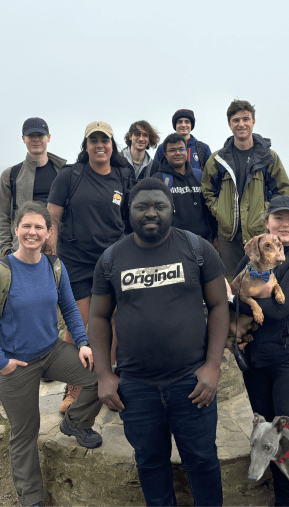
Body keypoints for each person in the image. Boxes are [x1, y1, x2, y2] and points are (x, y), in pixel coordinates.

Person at [88, 178, 229, 506]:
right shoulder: (111, 260)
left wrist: (212, 366)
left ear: (172, 210)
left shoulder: (197, 249)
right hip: (136, 387)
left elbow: (220, 306)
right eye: (142, 207)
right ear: (129, 211)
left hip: (192, 383)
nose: (151, 213)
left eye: (159, 206)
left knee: (203, 461)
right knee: (150, 463)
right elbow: (97, 318)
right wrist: (105, 376)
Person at [0, 201, 103, 507]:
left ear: (48, 233)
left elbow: (71, 308)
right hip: (15, 360)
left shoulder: (54, 267)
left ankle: (75, 422)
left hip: (52, 351)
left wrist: (83, 342)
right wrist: (1, 362)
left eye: (39, 227)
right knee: (25, 431)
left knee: (100, 376)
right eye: (26, 226)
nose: (32, 233)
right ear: (16, 229)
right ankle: (32, 498)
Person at [229, 195, 289, 506]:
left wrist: (239, 302)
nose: (285, 225)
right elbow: (236, 293)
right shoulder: (253, 255)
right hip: (258, 363)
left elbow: (278, 310)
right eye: (278, 218)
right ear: (266, 222)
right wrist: (238, 302)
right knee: (264, 442)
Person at [47, 120, 133, 413]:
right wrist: (52, 257)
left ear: (112, 145)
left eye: (105, 140)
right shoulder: (71, 175)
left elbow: (130, 219)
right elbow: (53, 219)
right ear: (86, 145)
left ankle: (104, 381)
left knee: (113, 321)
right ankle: (74, 386)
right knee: (78, 325)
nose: (99, 145)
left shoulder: (123, 175)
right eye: (93, 140)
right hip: (77, 262)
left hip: (113, 262)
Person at [202, 99, 289, 278]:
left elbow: (282, 192)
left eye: (245, 119)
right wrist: (220, 212)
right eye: (236, 120)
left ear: (253, 122)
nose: (241, 124)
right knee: (233, 283)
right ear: (229, 124)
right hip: (229, 236)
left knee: (263, 281)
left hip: (260, 235)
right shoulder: (218, 159)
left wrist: (267, 216)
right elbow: (207, 191)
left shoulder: (269, 157)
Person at [0, 117, 66, 256]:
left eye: (40, 135)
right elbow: (3, 216)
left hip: (60, 249)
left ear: (48, 137)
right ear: (23, 138)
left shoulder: (64, 172)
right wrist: (7, 250)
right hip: (22, 250)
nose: (36, 139)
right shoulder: (10, 175)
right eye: (31, 136)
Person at [152, 133, 217, 241]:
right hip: (172, 243)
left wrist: (216, 236)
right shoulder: (158, 180)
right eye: (172, 150)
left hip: (204, 241)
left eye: (181, 149)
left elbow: (210, 207)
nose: (177, 153)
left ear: (186, 151)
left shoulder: (199, 175)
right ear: (165, 154)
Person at [154, 108, 212, 173]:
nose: (183, 125)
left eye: (187, 122)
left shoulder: (203, 148)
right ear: (175, 125)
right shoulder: (163, 148)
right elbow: (155, 173)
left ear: (191, 125)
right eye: (180, 122)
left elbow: (210, 174)